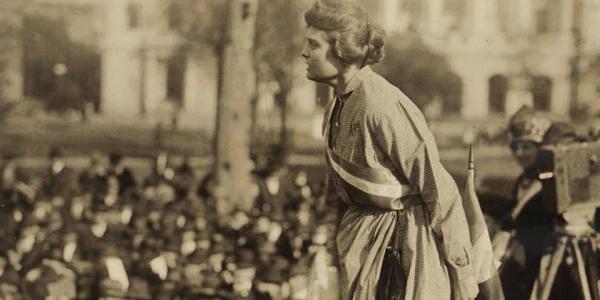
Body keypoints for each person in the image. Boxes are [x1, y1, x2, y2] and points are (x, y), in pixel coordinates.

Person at [302, 1, 488, 299]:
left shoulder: (382, 105)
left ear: (342, 49)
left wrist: (461, 269)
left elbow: (437, 186)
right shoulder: (335, 105)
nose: (304, 52)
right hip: (358, 244)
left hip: (403, 246)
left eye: (313, 44)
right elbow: (337, 191)